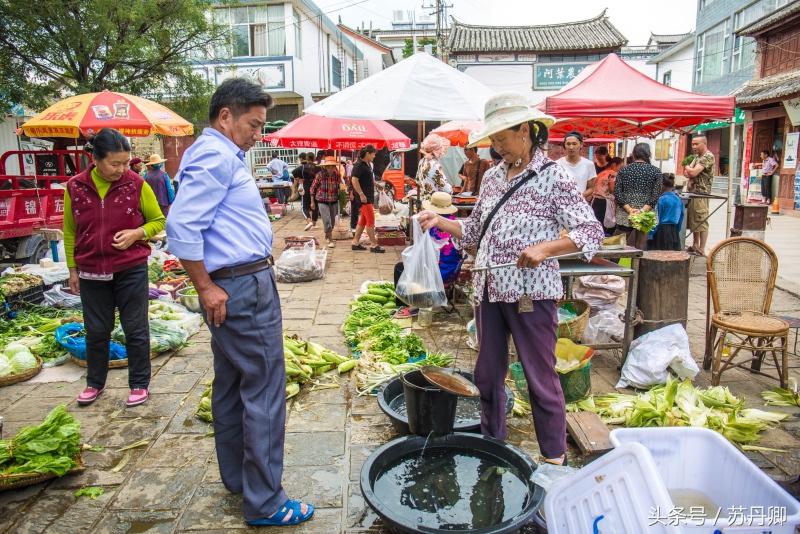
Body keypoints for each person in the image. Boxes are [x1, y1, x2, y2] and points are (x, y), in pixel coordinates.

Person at [418, 92, 603, 466]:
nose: (497, 146)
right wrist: (441, 222)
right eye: (493, 139)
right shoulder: (492, 178)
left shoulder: (554, 176)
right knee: (487, 374)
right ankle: (493, 444)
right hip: (488, 290)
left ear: (525, 130)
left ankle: (553, 456)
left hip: (530, 294)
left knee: (539, 377)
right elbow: (474, 233)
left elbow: (590, 231)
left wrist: (545, 249)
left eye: (503, 137)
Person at [166, 78, 314, 527]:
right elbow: (181, 228)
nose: (258, 134)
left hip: (237, 283)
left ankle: (239, 479)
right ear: (225, 115)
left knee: (231, 384)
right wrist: (205, 287)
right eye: (253, 124)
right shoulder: (213, 154)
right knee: (265, 389)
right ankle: (267, 502)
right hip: (240, 287)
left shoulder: (220, 156)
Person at [65, 128, 166, 408]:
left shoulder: (136, 184)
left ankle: (139, 384)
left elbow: (158, 221)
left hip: (130, 267)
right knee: (97, 330)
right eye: (115, 163)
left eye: (126, 162)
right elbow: (71, 231)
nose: (122, 169)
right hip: (91, 271)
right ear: (95, 159)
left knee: (135, 328)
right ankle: (94, 384)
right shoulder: (75, 187)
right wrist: (72, 269)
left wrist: (137, 233)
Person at [393, 192, 463, 311]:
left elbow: (424, 254)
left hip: (437, 275)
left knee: (400, 268)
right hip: (452, 273)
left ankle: (405, 306)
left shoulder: (431, 225)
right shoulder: (457, 225)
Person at [614, 143, 662, 250]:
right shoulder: (656, 171)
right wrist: (641, 211)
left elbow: (617, 193)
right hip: (646, 214)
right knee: (640, 246)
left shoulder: (623, 170)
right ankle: (637, 266)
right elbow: (655, 195)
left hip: (624, 213)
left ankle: (614, 266)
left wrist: (630, 209)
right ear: (648, 154)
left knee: (618, 246)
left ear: (634, 155)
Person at [683, 135, 715, 256]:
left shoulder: (708, 156)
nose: (694, 146)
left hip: (702, 193)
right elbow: (687, 174)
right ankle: (695, 244)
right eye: (692, 144)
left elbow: (692, 172)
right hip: (693, 192)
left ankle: (702, 248)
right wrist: (689, 171)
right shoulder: (697, 157)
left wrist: (687, 168)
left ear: (704, 144)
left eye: (696, 144)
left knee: (701, 220)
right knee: (693, 220)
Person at [350, 144, 384, 253]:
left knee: (363, 221)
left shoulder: (367, 164)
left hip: (367, 196)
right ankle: (374, 245)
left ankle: (355, 242)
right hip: (364, 198)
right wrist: (361, 194)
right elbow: (354, 180)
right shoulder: (359, 165)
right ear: (368, 153)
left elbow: (367, 179)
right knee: (370, 220)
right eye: (373, 154)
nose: (374, 156)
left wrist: (376, 184)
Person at [310, 156, 342, 248]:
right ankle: (331, 240)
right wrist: (312, 202)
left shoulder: (337, 175)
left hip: (334, 200)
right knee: (326, 220)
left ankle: (327, 234)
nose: (331, 168)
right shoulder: (320, 175)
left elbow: (340, 186)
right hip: (322, 201)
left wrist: (343, 189)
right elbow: (312, 188)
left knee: (332, 222)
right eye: (328, 166)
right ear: (325, 167)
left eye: (332, 166)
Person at [557, 131, 596, 201]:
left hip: (580, 205)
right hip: (561, 205)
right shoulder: (557, 164)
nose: (571, 147)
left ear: (581, 145)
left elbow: (591, 187)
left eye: (574, 144)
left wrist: (580, 196)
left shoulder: (589, 164)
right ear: (564, 145)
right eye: (568, 144)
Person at [649, 174, 684, 251]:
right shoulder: (678, 199)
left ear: (663, 185)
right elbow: (681, 218)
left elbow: (656, 219)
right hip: (674, 231)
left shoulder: (661, 200)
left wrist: (650, 235)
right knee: (672, 256)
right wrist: (676, 231)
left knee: (658, 255)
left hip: (661, 231)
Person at [591, 156, 622, 235]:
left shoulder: (601, 173)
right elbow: (612, 189)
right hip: (603, 202)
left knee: (596, 225)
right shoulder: (612, 173)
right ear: (614, 164)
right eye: (620, 166)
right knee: (604, 226)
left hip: (594, 201)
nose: (620, 169)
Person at [416, 133, 453, 198]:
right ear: (435, 150)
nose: (442, 152)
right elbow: (447, 189)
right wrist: (451, 189)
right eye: (441, 148)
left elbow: (417, 180)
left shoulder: (421, 161)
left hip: (425, 202)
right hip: (436, 203)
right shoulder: (435, 165)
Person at [293, 153, 318, 231]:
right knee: (315, 206)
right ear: (314, 158)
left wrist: (299, 179)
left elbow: (294, 173)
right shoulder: (318, 168)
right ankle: (313, 223)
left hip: (306, 188)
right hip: (316, 189)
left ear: (306, 158)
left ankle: (309, 221)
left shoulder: (302, 168)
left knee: (304, 207)